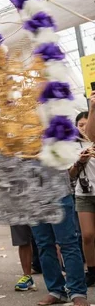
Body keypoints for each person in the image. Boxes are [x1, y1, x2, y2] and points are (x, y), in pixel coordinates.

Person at [70, 111, 95, 286]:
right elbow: (71, 175)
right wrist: (80, 162)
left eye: (88, 123)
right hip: (84, 194)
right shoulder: (74, 146)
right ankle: (92, 271)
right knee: (87, 235)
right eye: (80, 125)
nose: (84, 127)